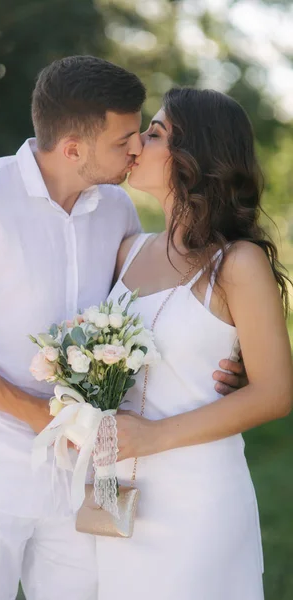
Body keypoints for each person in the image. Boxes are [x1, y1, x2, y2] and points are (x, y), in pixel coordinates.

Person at [0, 58, 244, 600]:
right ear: (74, 148)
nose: (136, 150)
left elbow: (145, 311)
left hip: (85, 473)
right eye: (125, 138)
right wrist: (39, 415)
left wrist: (226, 357)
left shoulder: (118, 210)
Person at [97, 87, 293, 600]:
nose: (137, 141)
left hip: (198, 502)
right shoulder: (126, 251)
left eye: (156, 133)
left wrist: (151, 437)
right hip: (117, 499)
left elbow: (275, 392)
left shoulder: (236, 263)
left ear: (194, 157)